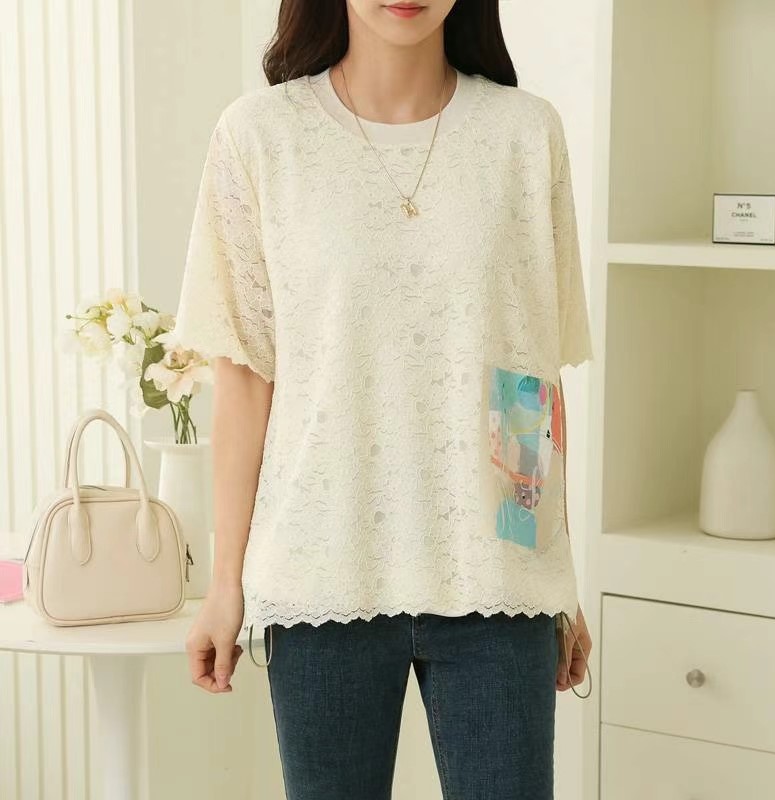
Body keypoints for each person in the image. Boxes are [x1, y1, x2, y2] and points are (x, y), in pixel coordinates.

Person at [176, 1, 594, 797]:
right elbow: (247, 376)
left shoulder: (524, 134)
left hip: (496, 582)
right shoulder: (260, 137)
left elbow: (530, 379)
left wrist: (554, 574)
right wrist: (224, 586)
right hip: (319, 577)